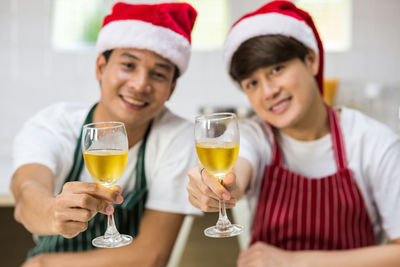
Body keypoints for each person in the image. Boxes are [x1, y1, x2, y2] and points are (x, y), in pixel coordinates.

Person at [187, 1, 400, 266]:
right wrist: (219, 186)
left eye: (276, 70)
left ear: (311, 61)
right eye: (252, 83)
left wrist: (296, 261)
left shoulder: (373, 142)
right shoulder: (255, 135)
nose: (268, 92)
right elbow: (238, 171)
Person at [11, 2, 200, 266]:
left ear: (171, 88)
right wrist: (53, 213)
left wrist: (44, 263)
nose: (140, 84)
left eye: (158, 74)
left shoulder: (177, 137)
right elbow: (27, 195)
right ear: (101, 67)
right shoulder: (54, 125)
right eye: (128, 65)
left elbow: (151, 256)